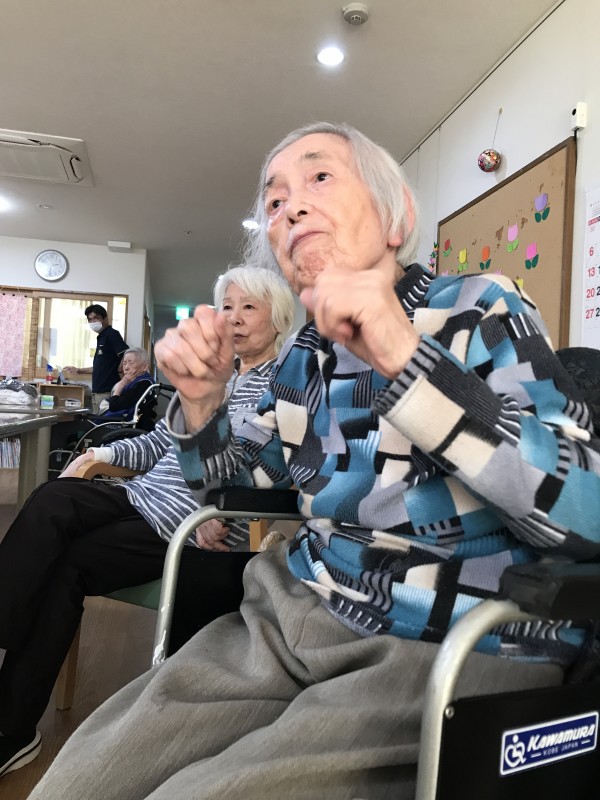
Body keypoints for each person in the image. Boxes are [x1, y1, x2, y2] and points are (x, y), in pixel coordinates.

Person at [28, 123, 600, 800]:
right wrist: (203, 405)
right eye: (274, 202)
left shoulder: (478, 307)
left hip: (439, 638)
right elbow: (231, 484)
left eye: (320, 177)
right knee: (80, 779)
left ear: (395, 217)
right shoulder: (304, 357)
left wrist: (404, 358)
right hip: (290, 613)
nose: (290, 207)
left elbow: (585, 511)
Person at [0, 266, 295, 779]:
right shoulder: (206, 375)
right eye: (227, 306)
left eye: (249, 307)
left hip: (183, 524)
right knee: (53, 498)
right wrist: (100, 453)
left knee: (68, 566)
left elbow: (264, 473)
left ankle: (11, 729)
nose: (234, 317)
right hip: (136, 495)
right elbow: (158, 442)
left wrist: (215, 509)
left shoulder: (284, 388)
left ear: (279, 319)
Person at [64, 304, 128, 413]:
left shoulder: (112, 334)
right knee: (97, 421)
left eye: (96, 318)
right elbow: (100, 367)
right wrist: (78, 370)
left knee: (104, 422)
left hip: (108, 391)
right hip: (98, 392)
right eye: (90, 319)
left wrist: (120, 370)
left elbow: (127, 354)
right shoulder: (101, 337)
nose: (93, 322)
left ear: (105, 319)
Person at [96, 346, 154, 422]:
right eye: (124, 363)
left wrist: (121, 384)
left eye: (131, 363)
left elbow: (114, 406)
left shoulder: (144, 384)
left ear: (144, 367)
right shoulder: (133, 381)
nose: (126, 368)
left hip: (123, 423)